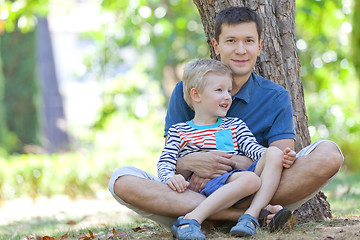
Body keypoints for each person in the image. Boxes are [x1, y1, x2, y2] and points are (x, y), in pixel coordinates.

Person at [108, 6, 343, 231]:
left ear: (260, 46)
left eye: (248, 41)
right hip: (195, 191)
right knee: (121, 181)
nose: (240, 50)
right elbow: (172, 160)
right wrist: (192, 163)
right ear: (216, 45)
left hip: (254, 185)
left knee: (329, 154)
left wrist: (226, 163)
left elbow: (279, 161)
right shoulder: (187, 90)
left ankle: (210, 216)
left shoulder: (275, 96)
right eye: (231, 41)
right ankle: (249, 216)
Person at [158, 58, 296, 239]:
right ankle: (191, 219)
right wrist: (171, 177)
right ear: (196, 95)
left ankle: (251, 217)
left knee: (273, 153)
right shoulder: (180, 131)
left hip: (236, 180)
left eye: (229, 91)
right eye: (219, 90)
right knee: (250, 180)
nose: (227, 96)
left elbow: (253, 150)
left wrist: (279, 157)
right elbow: (166, 160)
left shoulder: (235, 125)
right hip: (206, 186)